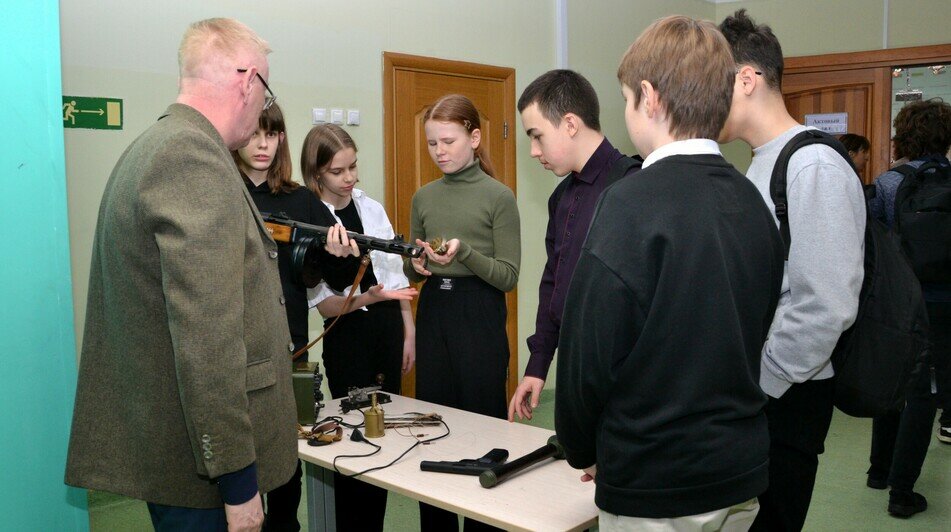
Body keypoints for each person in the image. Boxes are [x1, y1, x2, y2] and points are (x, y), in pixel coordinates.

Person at [65, 18, 355, 532]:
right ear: (247, 82)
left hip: (174, 445)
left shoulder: (159, 143)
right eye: (264, 92)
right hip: (202, 473)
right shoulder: (192, 158)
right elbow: (207, 340)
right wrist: (239, 484)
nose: (263, 107)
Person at [556, 15, 783, 530]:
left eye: (626, 100)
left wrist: (579, 448)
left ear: (649, 97)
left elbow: (588, 352)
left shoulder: (629, 203)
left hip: (657, 479)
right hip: (739, 469)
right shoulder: (751, 200)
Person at [718, 9, 866, 531]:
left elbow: (824, 304)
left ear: (746, 79)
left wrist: (761, 384)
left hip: (786, 396)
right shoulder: (761, 160)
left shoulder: (814, 165)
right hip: (760, 392)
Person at [233, 103, 356, 531]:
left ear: (283, 138)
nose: (263, 144)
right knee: (233, 469)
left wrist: (341, 252)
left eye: (272, 134)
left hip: (288, 349)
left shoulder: (301, 199)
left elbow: (337, 276)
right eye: (253, 134)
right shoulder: (221, 191)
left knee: (286, 475)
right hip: (233, 349)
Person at [404, 93, 520, 531]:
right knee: (433, 431)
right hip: (436, 313)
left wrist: (465, 251)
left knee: (482, 433)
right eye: (433, 143)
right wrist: (413, 265)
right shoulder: (424, 197)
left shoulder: (499, 196)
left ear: (474, 138)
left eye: (448, 141)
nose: (440, 152)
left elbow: (508, 276)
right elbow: (410, 263)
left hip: (480, 316)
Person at [301, 124, 418, 531]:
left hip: (386, 331)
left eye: (354, 167)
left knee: (384, 442)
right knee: (352, 443)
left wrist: (409, 332)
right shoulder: (312, 221)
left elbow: (395, 279)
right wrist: (370, 299)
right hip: (347, 338)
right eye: (338, 171)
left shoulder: (371, 207)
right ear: (317, 174)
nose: (350, 178)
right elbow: (325, 306)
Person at [508, 69, 640, 422]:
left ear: (570, 123)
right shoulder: (561, 198)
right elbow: (554, 284)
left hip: (625, 379)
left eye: (537, 136)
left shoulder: (633, 187)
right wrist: (537, 366)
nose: (534, 151)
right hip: (576, 367)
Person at [866, 98, 951, 517]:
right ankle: (902, 493)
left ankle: (878, 471)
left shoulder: (887, 183)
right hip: (942, 304)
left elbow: (868, 241)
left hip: (898, 303)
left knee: (893, 382)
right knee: (925, 394)